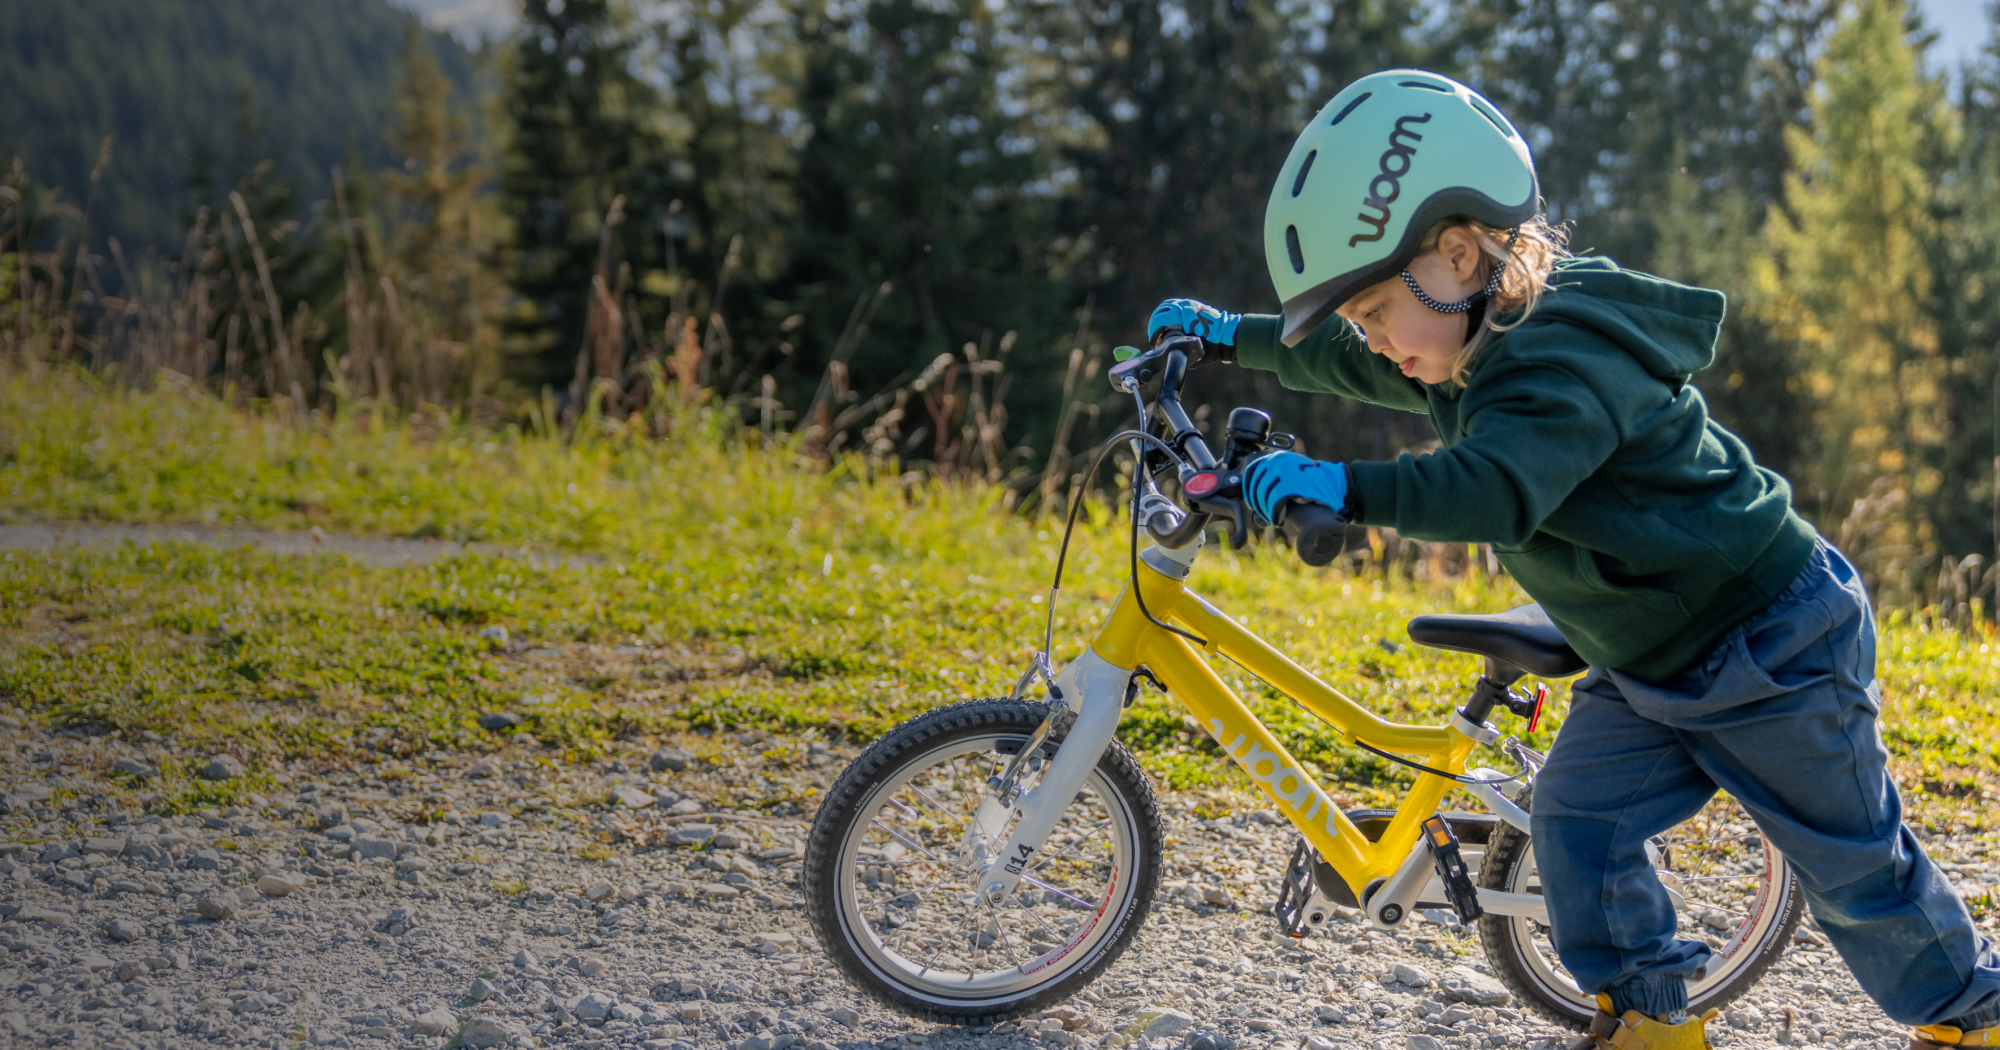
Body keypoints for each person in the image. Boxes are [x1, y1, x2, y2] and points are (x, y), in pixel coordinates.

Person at [1146, 69, 2000, 1050]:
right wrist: (1229, 341)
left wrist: (1341, 485)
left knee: (1850, 868)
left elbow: (1489, 488)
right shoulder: (1463, 338)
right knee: (1576, 825)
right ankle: (1649, 1017)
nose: (1372, 343)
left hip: (1768, 639)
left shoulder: (1555, 364)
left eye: (1374, 312)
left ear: (1457, 254)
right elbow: (1339, 361)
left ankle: (1964, 1016)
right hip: (1643, 659)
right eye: (1359, 322)